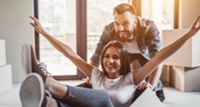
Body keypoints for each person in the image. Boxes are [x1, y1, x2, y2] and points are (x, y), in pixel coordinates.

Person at [20, 14, 200, 107]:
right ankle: (45, 100)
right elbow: (70, 54)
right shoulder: (96, 74)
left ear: (123, 60)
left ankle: (48, 83)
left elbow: (161, 55)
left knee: (103, 96)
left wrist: (188, 35)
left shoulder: (132, 78)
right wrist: (44, 32)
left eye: (115, 57)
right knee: (56, 106)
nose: (109, 61)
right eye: (106, 56)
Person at [80, 3, 165, 102]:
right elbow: (97, 56)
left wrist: (151, 86)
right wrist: (90, 78)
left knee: (146, 80)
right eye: (117, 23)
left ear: (134, 21)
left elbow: (158, 58)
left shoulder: (149, 27)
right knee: (126, 81)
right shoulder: (109, 30)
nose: (120, 28)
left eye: (125, 23)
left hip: (144, 56)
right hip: (125, 56)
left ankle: (158, 86)